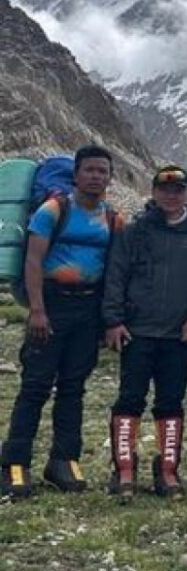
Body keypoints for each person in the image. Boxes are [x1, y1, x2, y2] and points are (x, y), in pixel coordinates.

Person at [0, 145, 120, 498]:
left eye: (103, 171)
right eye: (90, 170)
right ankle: (13, 463)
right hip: (51, 304)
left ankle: (63, 460)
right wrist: (36, 309)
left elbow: (114, 267)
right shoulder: (52, 210)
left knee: (73, 387)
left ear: (109, 178)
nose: (96, 176)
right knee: (35, 384)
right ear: (76, 174)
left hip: (87, 309)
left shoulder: (112, 218)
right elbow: (34, 261)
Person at [101, 165, 187, 500]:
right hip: (136, 331)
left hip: (177, 335)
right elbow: (116, 276)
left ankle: (167, 470)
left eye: (178, 189)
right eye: (164, 189)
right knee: (130, 399)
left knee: (171, 402)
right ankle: (123, 468)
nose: (171, 195)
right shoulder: (134, 231)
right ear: (153, 192)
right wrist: (113, 320)